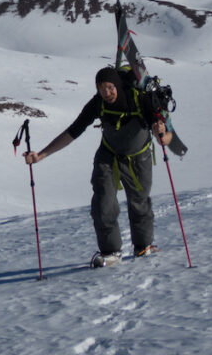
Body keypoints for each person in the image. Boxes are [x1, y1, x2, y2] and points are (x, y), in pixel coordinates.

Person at [24, 66, 185, 267]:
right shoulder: (97, 103)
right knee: (103, 203)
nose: (106, 93)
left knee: (139, 203)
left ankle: (143, 247)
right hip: (108, 155)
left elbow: (165, 137)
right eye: (101, 88)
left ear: (117, 85)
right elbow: (73, 131)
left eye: (110, 87)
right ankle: (110, 252)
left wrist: (161, 132)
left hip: (138, 157)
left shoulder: (140, 100)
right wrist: (41, 155)